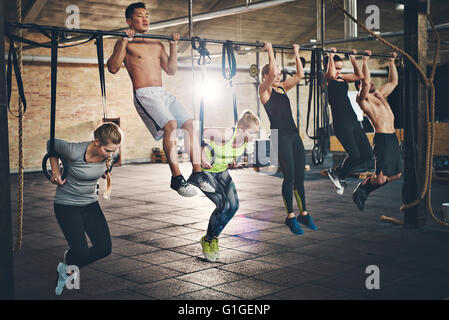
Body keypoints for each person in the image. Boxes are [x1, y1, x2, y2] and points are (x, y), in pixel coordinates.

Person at [107, 2, 214, 197]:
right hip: (144, 93)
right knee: (171, 125)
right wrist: (122, 41)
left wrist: (173, 46)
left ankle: (197, 174)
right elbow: (113, 67)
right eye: (140, 15)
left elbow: (171, 70)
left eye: (147, 15)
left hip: (162, 93)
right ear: (129, 20)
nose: (145, 18)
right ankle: (176, 177)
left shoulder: (156, 43)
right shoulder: (126, 42)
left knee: (191, 124)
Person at [48, 122, 122, 296]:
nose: (112, 154)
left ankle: (66, 267)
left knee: (104, 248)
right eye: (108, 150)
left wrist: (105, 170)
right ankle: (70, 264)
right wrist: (55, 171)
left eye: (115, 150)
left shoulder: (110, 156)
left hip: (90, 204)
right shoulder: (75, 151)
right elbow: (51, 145)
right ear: (96, 142)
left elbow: (106, 166)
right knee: (80, 252)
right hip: (67, 205)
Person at [259, 42, 317, 235]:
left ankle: (304, 213)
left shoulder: (283, 88)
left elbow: (300, 75)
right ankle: (290, 216)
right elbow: (272, 72)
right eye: (275, 73)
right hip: (280, 137)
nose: (278, 75)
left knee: (300, 176)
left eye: (279, 73)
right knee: (289, 175)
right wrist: (270, 51)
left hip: (293, 135)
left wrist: (296, 53)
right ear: (266, 75)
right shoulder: (264, 90)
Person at [199, 110, 260, 262]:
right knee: (222, 205)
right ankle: (207, 241)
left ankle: (213, 238)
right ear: (240, 128)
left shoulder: (245, 141)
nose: (254, 137)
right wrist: (201, 155)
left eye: (256, 133)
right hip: (205, 173)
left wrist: (235, 159)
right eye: (252, 133)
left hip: (221, 172)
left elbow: (234, 151)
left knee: (233, 206)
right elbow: (196, 134)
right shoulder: (224, 135)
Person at [353, 51, 401, 210]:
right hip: (382, 140)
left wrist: (391, 62)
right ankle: (363, 187)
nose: (371, 83)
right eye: (367, 83)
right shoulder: (363, 100)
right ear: (360, 87)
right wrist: (364, 61)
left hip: (393, 138)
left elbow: (394, 82)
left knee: (396, 175)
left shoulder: (380, 95)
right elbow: (365, 83)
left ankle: (365, 189)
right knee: (380, 180)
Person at [325, 48, 374, 195]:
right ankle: (339, 174)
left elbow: (359, 76)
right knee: (356, 156)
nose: (339, 71)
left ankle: (338, 173)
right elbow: (331, 73)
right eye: (337, 67)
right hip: (341, 124)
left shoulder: (341, 78)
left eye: (340, 68)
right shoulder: (327, 79)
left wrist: (353, 58)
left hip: (353, 120)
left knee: (367, 154)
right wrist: (330, 56)